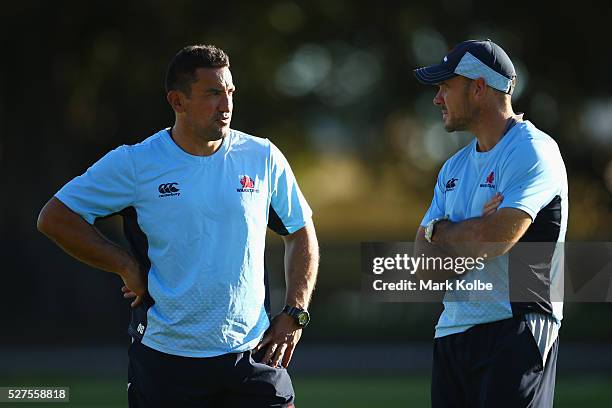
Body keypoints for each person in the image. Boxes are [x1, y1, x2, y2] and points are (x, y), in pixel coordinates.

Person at [37, 44, 319, 408]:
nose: (226, 105)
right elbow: (55, 217)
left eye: (230, 92)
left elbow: (300, 231)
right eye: (212, 94)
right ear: (177, 101)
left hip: (253, 356)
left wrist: (295, 312)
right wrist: (123, 264)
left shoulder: (262, 156)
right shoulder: (136, 163)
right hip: (166, 362)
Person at [413, 39, 568, 407]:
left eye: (445, 87)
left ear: (478, 88)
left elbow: (495, 239)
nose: (437, 100)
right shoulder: (453, 168)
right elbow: (423, 265)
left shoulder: (533, 149)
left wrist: (447, 234)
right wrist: (449, 234)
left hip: (517, 327)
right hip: (452, 331)